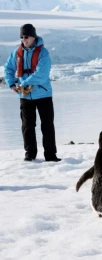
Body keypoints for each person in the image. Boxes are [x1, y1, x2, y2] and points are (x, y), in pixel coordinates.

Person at [3, 24, 61, 162]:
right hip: (24, 95)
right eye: (22, 37)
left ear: (33, 37)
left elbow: (42, 74)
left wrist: (22, 84)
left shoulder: (43, 53)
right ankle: (30, 154)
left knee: (47, 125)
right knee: (27, 126)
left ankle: (50, 155)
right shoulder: (16, 53)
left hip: (43, 94)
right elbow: (8, 68)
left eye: (26, 36)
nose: (24, 39)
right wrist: (11, 84)